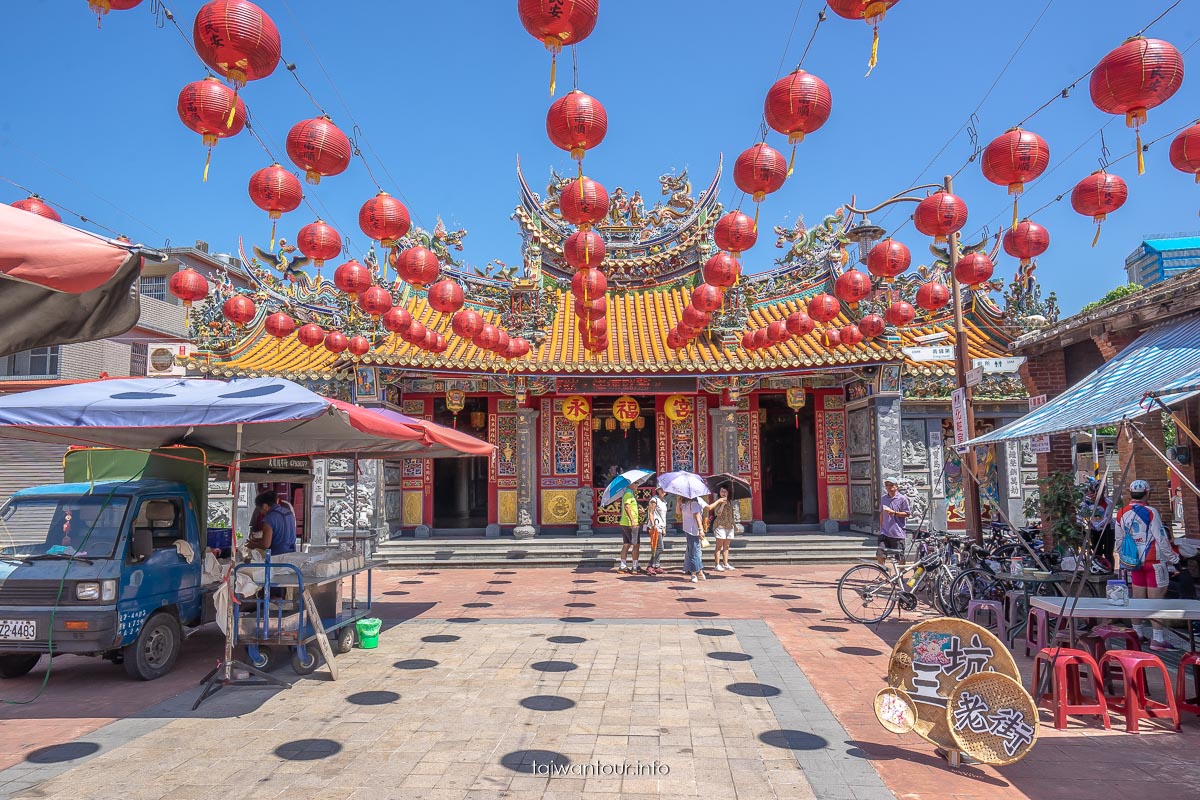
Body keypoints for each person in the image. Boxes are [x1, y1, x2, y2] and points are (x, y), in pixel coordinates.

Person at [1115, 479, 1181, 651]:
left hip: (1133, 562)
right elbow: (1161, 538)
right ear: (1147, 493)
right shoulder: (1151, 512)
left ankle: (1137, 635)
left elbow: (1119, 541)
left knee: (1138, 600)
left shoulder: (1121, 513)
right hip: (1154, 561)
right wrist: (1174, 559)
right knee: (1156, 602)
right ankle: (1157, 639)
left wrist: (1125, 559)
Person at [246, 490, 297, 557]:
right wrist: (257, 540)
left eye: (260, 509)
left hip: (277, 557)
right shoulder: (288, 513)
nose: (261, 512)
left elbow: (266, 544)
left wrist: (253, 545)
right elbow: (281, 536)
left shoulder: (269, 519)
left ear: (265, 506)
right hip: (292, 554)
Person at [1080, 477, 1115, 567]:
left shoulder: (1108, 502)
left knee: (1108, 552)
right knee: (1097, 551)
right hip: (1094, 528)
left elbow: (1108, 517)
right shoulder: (1087, 502)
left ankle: (1110, 569)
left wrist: (1098, 525)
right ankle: (1098, 567)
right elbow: (1082, 514)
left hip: (1107, 528)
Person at [878, 477, 910, 564]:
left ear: (896, 486)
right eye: (887, 485)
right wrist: (881, 528)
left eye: (891, 485)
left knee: (900, 556)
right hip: (885, 532)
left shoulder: (902, 499)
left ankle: (900, 575)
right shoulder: (883, 498)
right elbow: (881, 513)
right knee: (880, 554)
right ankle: (883, 573)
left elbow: (907, 513)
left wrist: (894, 513)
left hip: (897, 533)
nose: (889, 487)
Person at [706, 484, 737, 571]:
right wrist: (722, 505)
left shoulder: (730, 502)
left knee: (726, 546)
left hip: (729, 526)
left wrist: (734, 525)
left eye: (725, 491)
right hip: (720, 525)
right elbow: (717, 514)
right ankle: (717, 564)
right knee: (719, 546)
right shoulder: (718, 501)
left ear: (728, 492)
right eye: (722, 491)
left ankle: (725, 563)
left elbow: (731, 515)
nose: (723, 493)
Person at [681, 495, 708, 583]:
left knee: (694, 551)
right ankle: (697, 572)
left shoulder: (694, 503)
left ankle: (695, 572)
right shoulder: (685, 503)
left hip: (694, 530)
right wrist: (678, 503)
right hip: (688, 529)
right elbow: (678, 512)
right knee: (693, 551)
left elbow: (697, 517)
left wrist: (701, 529)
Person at [617, 486, 642, 573]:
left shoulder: (629, 493)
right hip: (630, 523)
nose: (637, 485)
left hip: (624, 522)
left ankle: (623, 565)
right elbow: (626, 507)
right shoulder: (628, 493)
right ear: (631, 484)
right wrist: (632, 520)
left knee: (626, 544)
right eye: (636, 483)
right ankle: (635, 566)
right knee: (636, 544)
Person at [645, 486, 668, 575]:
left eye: (664, 489)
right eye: (661, 489)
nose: (663, 491)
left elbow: (664, 516)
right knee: (658, 547)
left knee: (658, 547)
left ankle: (656, 565)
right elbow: (650, 513)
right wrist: (653, 525)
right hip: (655, 526)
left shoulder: (664, 501)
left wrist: (664, 528)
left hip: (661, 526)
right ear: (657, 490)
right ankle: (650, 565)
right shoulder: (654, 500)